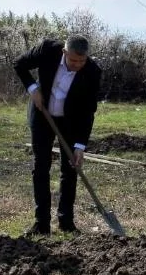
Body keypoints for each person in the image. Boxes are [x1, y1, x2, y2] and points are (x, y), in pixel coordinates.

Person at [14, 34, 102, 236]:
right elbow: (19, 64)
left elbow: (89, 110)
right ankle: (41, 224)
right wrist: (33, 88)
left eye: (82, 61)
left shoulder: (92, 72)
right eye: (73, 60)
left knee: (70, 168)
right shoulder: (48, 50)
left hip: (70, 121)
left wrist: (80, 146)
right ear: (64, 52)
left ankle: (66, 222)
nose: (77, 65)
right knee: (41, 166)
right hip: (42, 113)